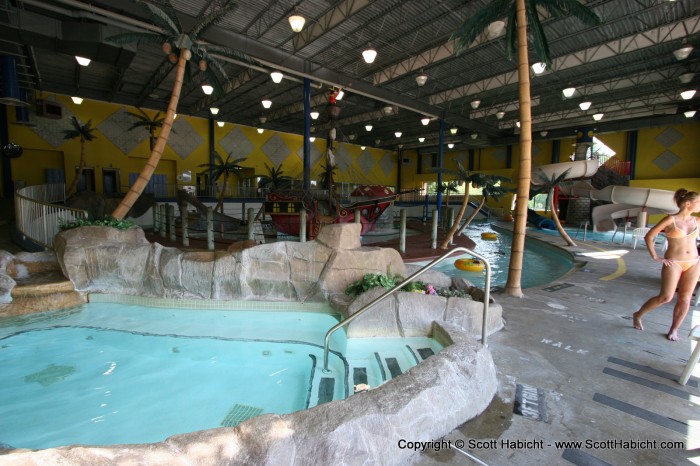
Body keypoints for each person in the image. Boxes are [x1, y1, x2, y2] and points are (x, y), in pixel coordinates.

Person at [633, 189, 700, 341]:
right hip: (674, 262)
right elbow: (649, 236)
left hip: (694, 263)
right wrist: (655, 256)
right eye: (699, 202)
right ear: (688, 203)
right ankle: (638, 314)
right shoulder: (670, 220)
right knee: (666, 297)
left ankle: (673, 330)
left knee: (685, 298)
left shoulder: (697, 221)